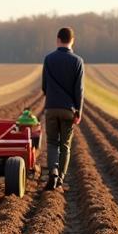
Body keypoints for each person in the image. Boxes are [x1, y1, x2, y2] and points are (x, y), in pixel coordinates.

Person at [41, 26, 85, 191]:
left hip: (51, 107)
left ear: (57, 39)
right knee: (65, 144)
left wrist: (51, 96)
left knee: (52, 142)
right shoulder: (78, 61)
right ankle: (60, 178)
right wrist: (78, 111)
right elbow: (79, 89)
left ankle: (52, 171)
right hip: (68, 109)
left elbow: (44, 85)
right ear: (72, 41)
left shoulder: (48, 59)